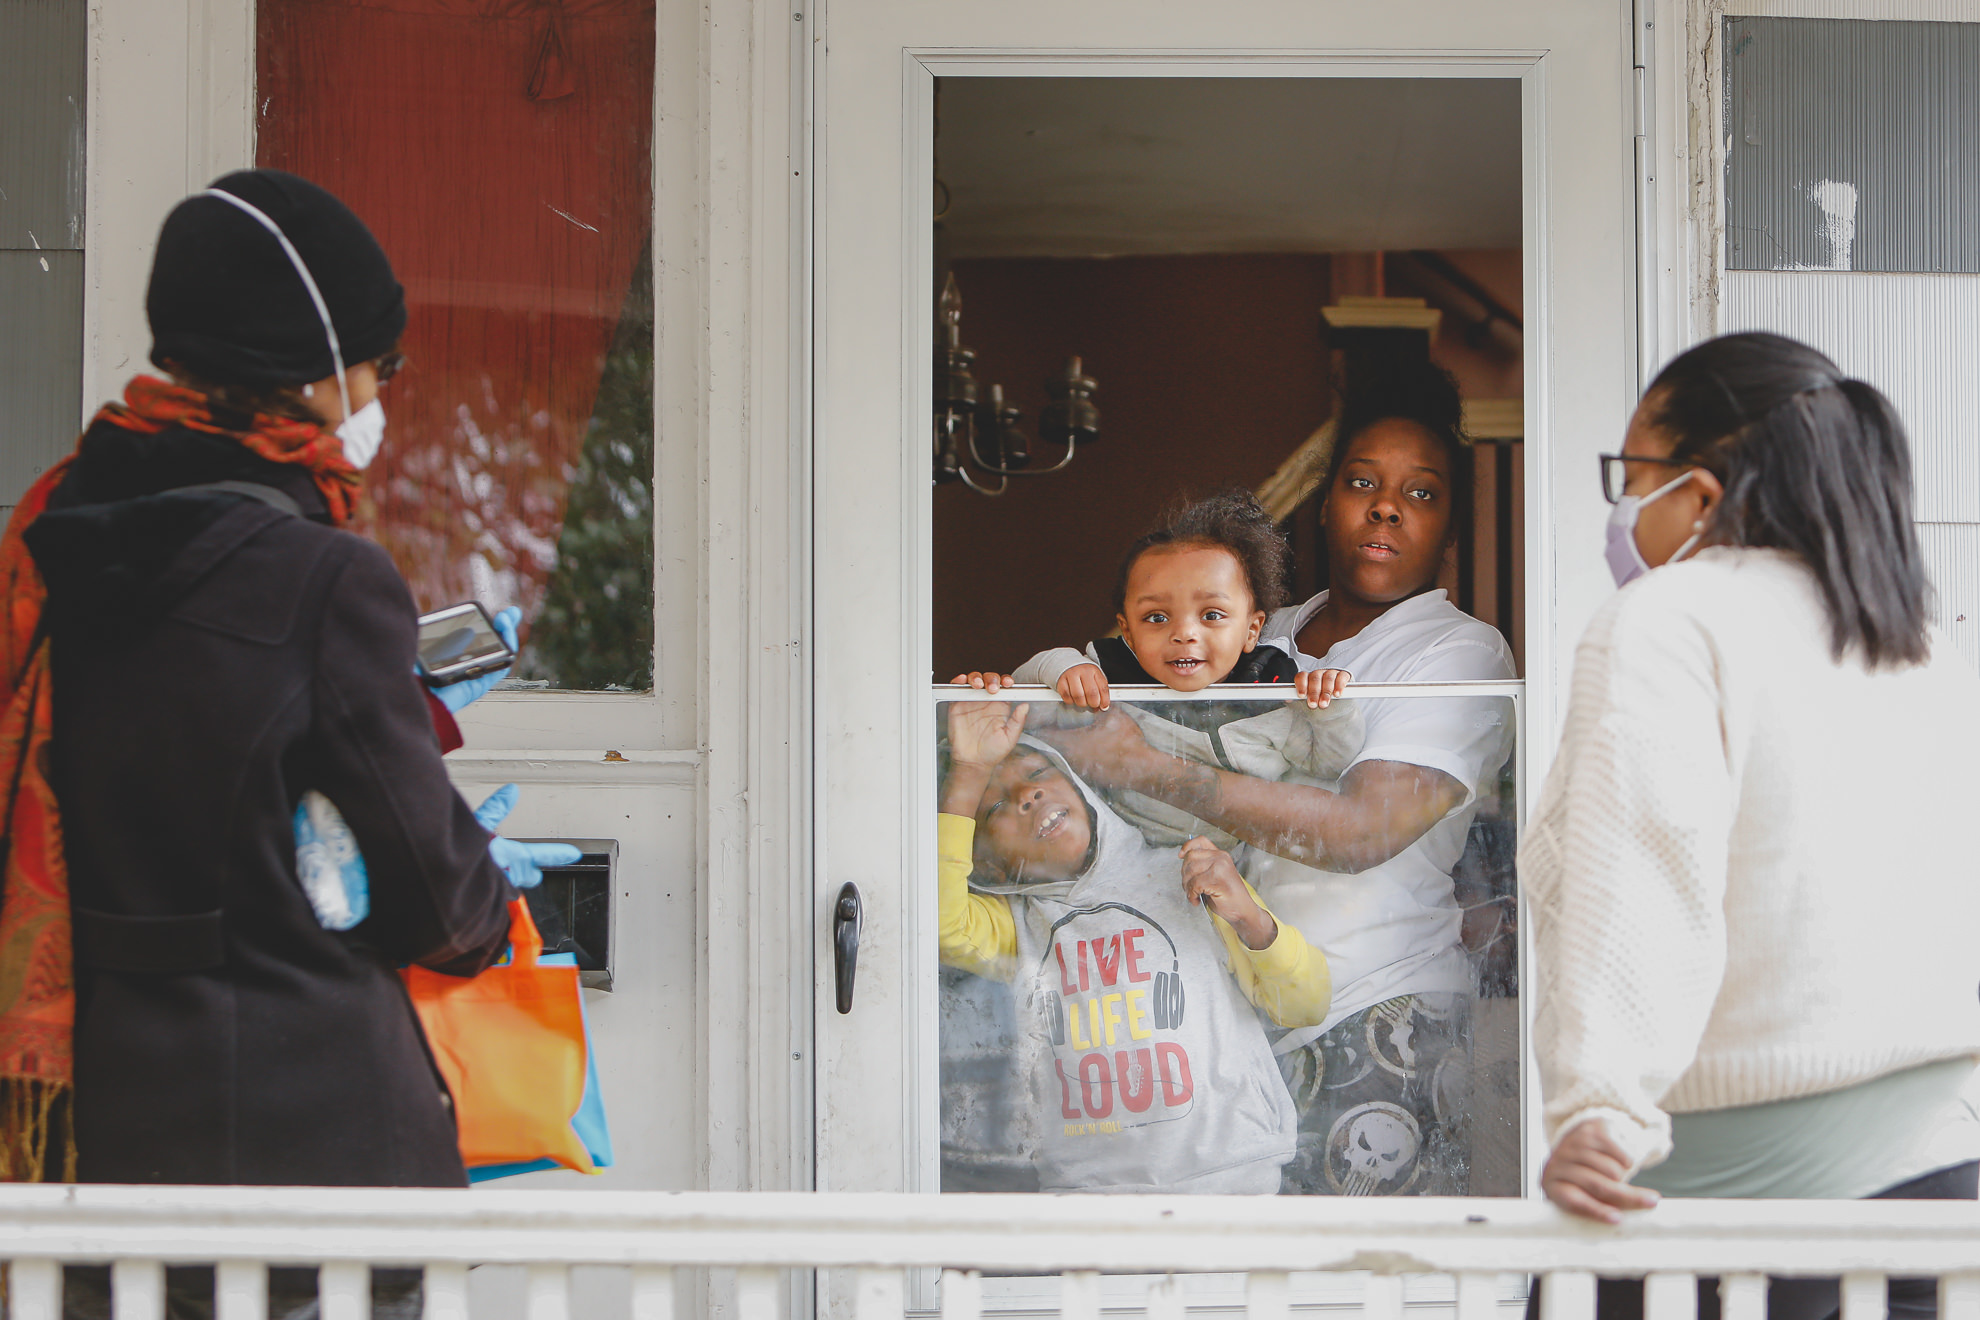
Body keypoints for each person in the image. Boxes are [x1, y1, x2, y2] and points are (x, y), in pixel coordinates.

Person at [0, 169, 575, 1317]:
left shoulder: (50, 533)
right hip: (306, 1160)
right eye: (380, 364)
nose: (379, 393)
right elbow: (439, 905)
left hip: (84, 1146)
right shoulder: (324, 576)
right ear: (313, 373)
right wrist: (472, 877)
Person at [1525, 332, 1980, 1320]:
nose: (1621, 506)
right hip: (1941, 1198)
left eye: (1630, 472)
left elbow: (1644, 869)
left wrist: (1600, 1103)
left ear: (1698, 490)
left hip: (1721, 1209)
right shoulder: (1921, 647)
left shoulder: (1670, 621)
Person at [1037, 363, 1516, 1195]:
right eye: (1362, 482)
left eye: (1422, 493)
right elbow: (1101, 691)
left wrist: (1147, 769)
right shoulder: (1259, 632)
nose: (1386, 507)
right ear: (1324, 503)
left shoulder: (1460, 653)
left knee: (1364, 1288)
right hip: (1233, 1017)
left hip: (1378, 1010)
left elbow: (1360, 830)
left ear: (1449, 527)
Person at [938, 700, 1329, 1192]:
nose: (1027, 794)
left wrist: (1249, 918)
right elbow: (937, 923)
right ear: (987, 867)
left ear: (1082, 789)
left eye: (1038, 771)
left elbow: (1305, 1004)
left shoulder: (1191, 874)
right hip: (1093, 1197)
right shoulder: (1016, 926)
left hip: (1232, 1177)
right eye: (993, 807)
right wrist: (968, 772)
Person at [950, 492, 1361, 851]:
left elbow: (1326, 763)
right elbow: (1027, 694)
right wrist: (1065, 667)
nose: (1183, 633)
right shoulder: (1111, 676)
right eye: (1156, 617)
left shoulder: (1273, 686)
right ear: (1127, 629)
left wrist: (1329, 706)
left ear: (1252, 629)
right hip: (1120, 850)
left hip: (1231, 861)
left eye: (1212, 614)